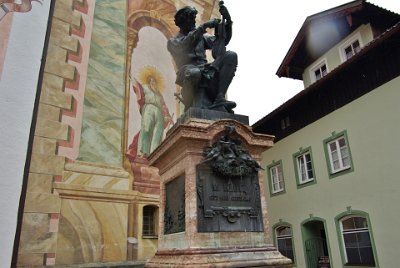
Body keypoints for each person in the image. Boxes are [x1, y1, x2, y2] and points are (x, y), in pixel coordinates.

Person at [167, 2, 237, 113]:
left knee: (231, 56)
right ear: (183, 23)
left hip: (205, 69)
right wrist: (203, 26)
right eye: (191, 19)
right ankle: (189, 105)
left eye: (194, 18)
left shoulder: (201, 37)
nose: (194, 21)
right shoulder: (173, 42)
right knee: (194, 73)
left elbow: (223, 41)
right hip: (187, 71)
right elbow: (185, 44)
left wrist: (228, 22)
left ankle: (220, 98)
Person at [126, 66, 173, 161]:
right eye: (151, 80)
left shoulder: (158, 93)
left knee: (158, 133)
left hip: (159, 112)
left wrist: (167, 116)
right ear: (148, 81)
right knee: (146, 129)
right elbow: (137, 87)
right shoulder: (145, 88)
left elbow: (163, 105)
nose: (153, 82)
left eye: (154, 81)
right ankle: (142, 153)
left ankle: (155, 154)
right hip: (148, 109)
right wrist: (130, 77)